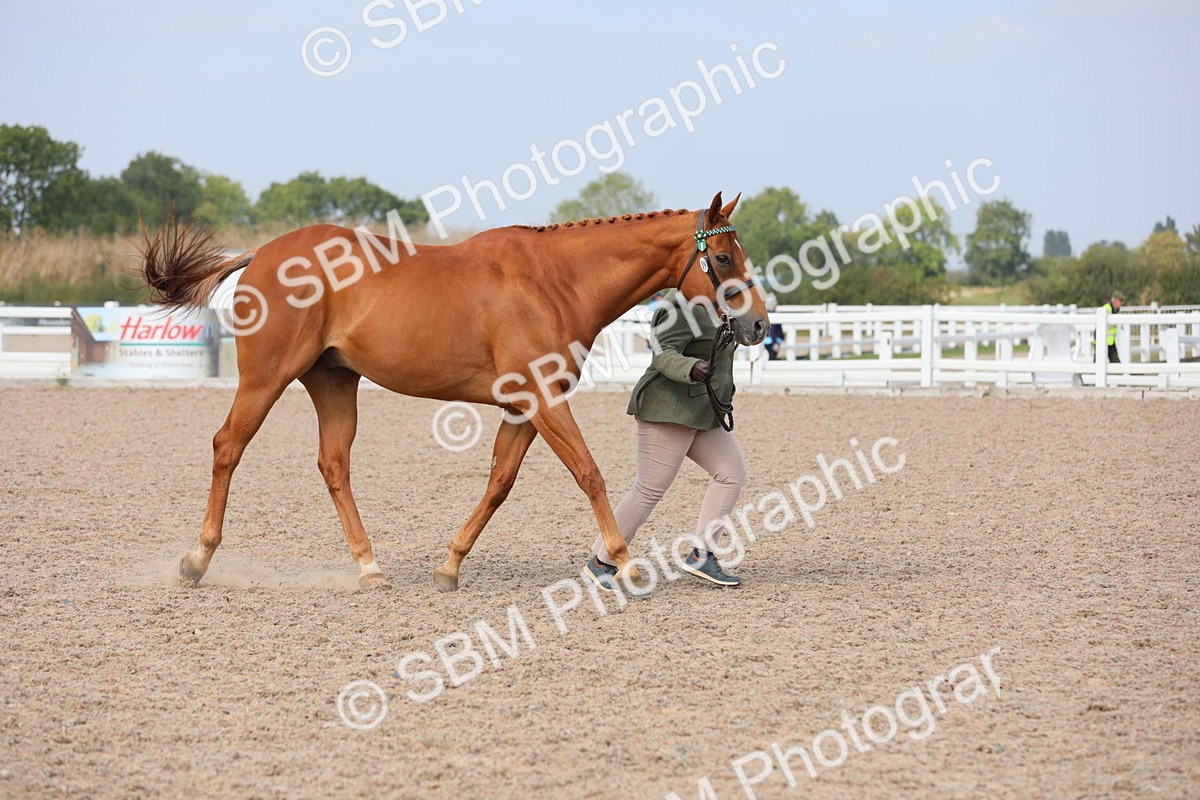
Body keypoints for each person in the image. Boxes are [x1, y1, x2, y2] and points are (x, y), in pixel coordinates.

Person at [585, 291, 745, 590]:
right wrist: (691, 367)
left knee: (731, 474)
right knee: (648, 489)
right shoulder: (680, 304)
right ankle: (602, 560)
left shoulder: (722, 302)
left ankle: (702, 554)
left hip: (701, 411)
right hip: (668, 408)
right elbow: (663, 352)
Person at [1102, 292, 1124, 364]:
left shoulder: (1116, 311)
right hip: (1102, 341)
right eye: (1119, 301)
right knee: (1099, 363)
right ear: (1114, 300)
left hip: (1110, 341)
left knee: (1116, 363)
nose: (1120, 304)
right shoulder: (1106, 308)